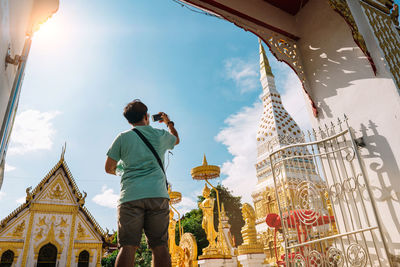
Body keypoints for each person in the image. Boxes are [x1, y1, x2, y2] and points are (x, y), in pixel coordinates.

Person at [105, 99, 179, 267]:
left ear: (129, 121)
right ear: (147, 116)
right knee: (160, 247)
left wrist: (122, 169)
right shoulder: (160, 135)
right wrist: (169, 123)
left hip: (130, 196)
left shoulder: (123, 138)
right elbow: (176, 139)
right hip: (157, 196)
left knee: (127, 247)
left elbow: (109, 167)